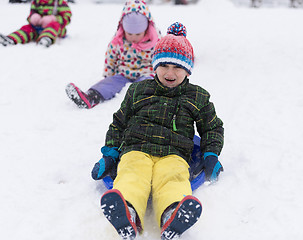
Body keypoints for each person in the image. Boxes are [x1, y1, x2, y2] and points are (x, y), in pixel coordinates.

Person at [91, 22, 224, 240]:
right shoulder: (138, 90)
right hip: (136, 149)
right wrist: (110, 154)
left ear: (188, 69)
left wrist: (211, 154)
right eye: (164, 66)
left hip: (174, 153)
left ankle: (172, 213)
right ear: (154, 66)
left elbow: (212, 127)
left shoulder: (197, 97)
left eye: (178, 67)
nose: (170, 73)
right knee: (132, 174)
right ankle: (127, 211)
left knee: (172, 178)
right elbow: (119, 123)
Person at [65, 0, 161, 109]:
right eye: (129, 33)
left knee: (147, 86)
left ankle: (147, 104)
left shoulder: (154, 42)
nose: (133, 37)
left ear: (147, 28)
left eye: (138, 34)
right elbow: (110, 58)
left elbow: (162, 60)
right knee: (109, 83)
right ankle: (91, 97)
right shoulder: (118, 41)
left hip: (146, 73)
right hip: (124, 73)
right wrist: (108, 76)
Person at [0, 0, 72, 47]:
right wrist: (33, 18)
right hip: (38, 28)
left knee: (54, 25)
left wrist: (54, 19)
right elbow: (30, 15)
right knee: (27, 28)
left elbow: (67, 18)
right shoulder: (36, 2)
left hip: (57, 30)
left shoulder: (60, 2)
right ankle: (11, 39)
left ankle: (46, 39)